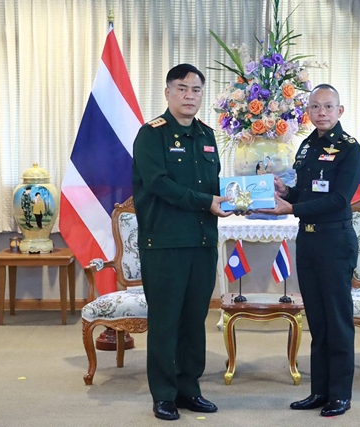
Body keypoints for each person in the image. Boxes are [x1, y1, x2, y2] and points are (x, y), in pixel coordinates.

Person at [256, 84, 360, 418]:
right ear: (308, 111)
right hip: (308, 241)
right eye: (315, 107)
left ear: (340, 111)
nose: (321, 113)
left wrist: (291, 208)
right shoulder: (306, 146)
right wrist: (286, 191)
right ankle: (319, 391)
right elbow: (306, 193)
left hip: (335, 242)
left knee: (337, 321)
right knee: (316, 320)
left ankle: (340, 394)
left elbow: (339, 199)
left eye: (328, 107)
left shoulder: (349, 149)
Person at [132, 63, 232, 421]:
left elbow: (214, 184)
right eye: (182, 88)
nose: (190, 96)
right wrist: (206, 202)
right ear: (168, 92)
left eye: (196, 90)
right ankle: (163, 394)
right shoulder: (151, 135)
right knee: (165, 321)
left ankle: (189, 389)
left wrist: (242, 196)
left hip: (202, 242)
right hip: (165, 243)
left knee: (194, 320)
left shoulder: (206, 135)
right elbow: (158, 184)